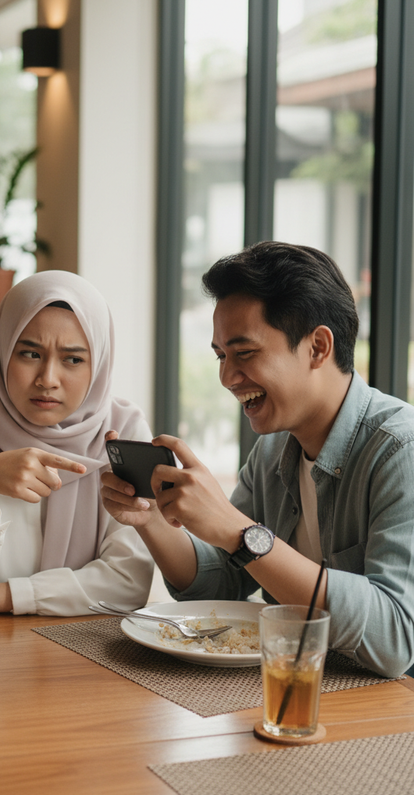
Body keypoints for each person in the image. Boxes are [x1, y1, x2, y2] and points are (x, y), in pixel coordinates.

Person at [102, 240, 414, 678]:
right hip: (290, 686)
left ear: (318, 348)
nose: (227, 377)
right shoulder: (272, 451)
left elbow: (397, 640)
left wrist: (240, 531)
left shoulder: (401, 451)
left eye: (244, 353)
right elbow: (223, 581)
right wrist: (152, 516)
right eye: (221, 356)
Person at [0, 270, 155, 624]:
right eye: (29, 353)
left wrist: (3, 595)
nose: (48, 380)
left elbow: (127, 584)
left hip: (92, 660)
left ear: (99, 363)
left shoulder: (124, 435)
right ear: (2, 351)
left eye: (73, 359)